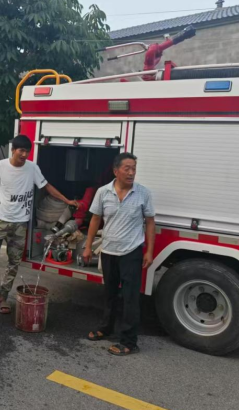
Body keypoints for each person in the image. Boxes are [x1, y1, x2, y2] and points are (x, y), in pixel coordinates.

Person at [0, 135, 78, 314]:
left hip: (20, 223)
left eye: (27, 151)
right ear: (13, 150)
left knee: (14, 262)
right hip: (0, 219)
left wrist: (66, 200)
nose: (24, 154)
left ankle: (3, 297)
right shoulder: (0, 166)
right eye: (21, 151)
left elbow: (47, 186)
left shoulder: (32, 168)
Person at [83, 152, 155, 356]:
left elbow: (150, 223)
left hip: (131, 252)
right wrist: (88, 247)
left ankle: (129, 341)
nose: (131, 173)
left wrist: (149, 251)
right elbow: (95, 219)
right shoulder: (103, 192)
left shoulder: (143, 193)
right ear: (116, 171)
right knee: (110, 294)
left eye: (134, 169)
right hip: (108, 251)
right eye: (127, 168)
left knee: (131, 298)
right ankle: (106, 328)